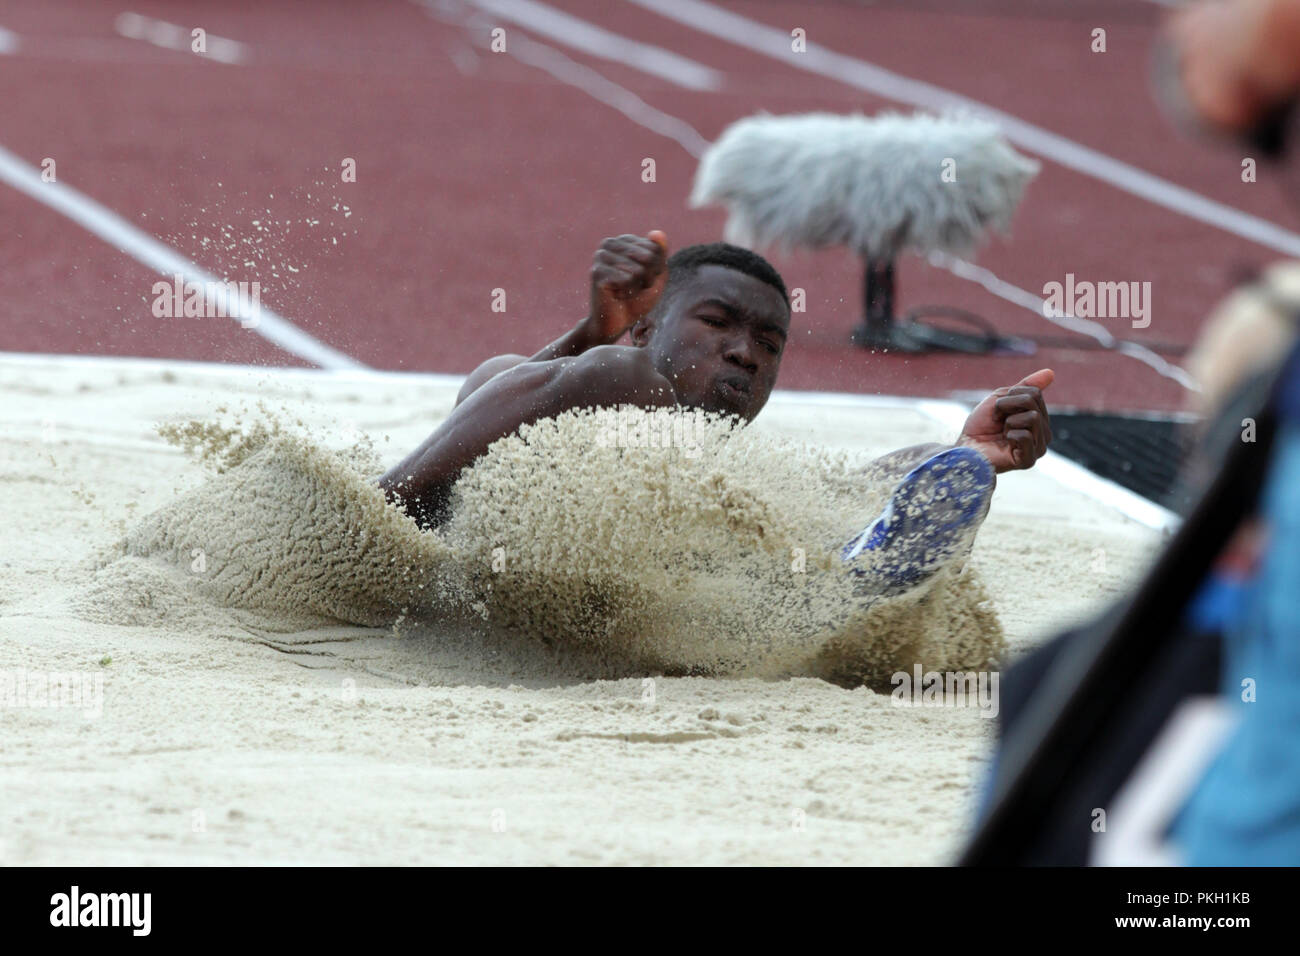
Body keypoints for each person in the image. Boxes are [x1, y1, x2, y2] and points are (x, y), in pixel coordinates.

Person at [380, 230, 1054, 593]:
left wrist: (970, 454)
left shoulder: (714, 480)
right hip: (457, 582)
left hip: (637, 617)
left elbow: (836, 495)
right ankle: (835, 587)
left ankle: (855, 577)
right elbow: (504, 394)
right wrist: (595, 332)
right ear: (645, 327)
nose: (744, 354)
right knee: (621, 380)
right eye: (718, 323)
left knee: (829, 507)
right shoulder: (593, 374)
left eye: (769, 344)